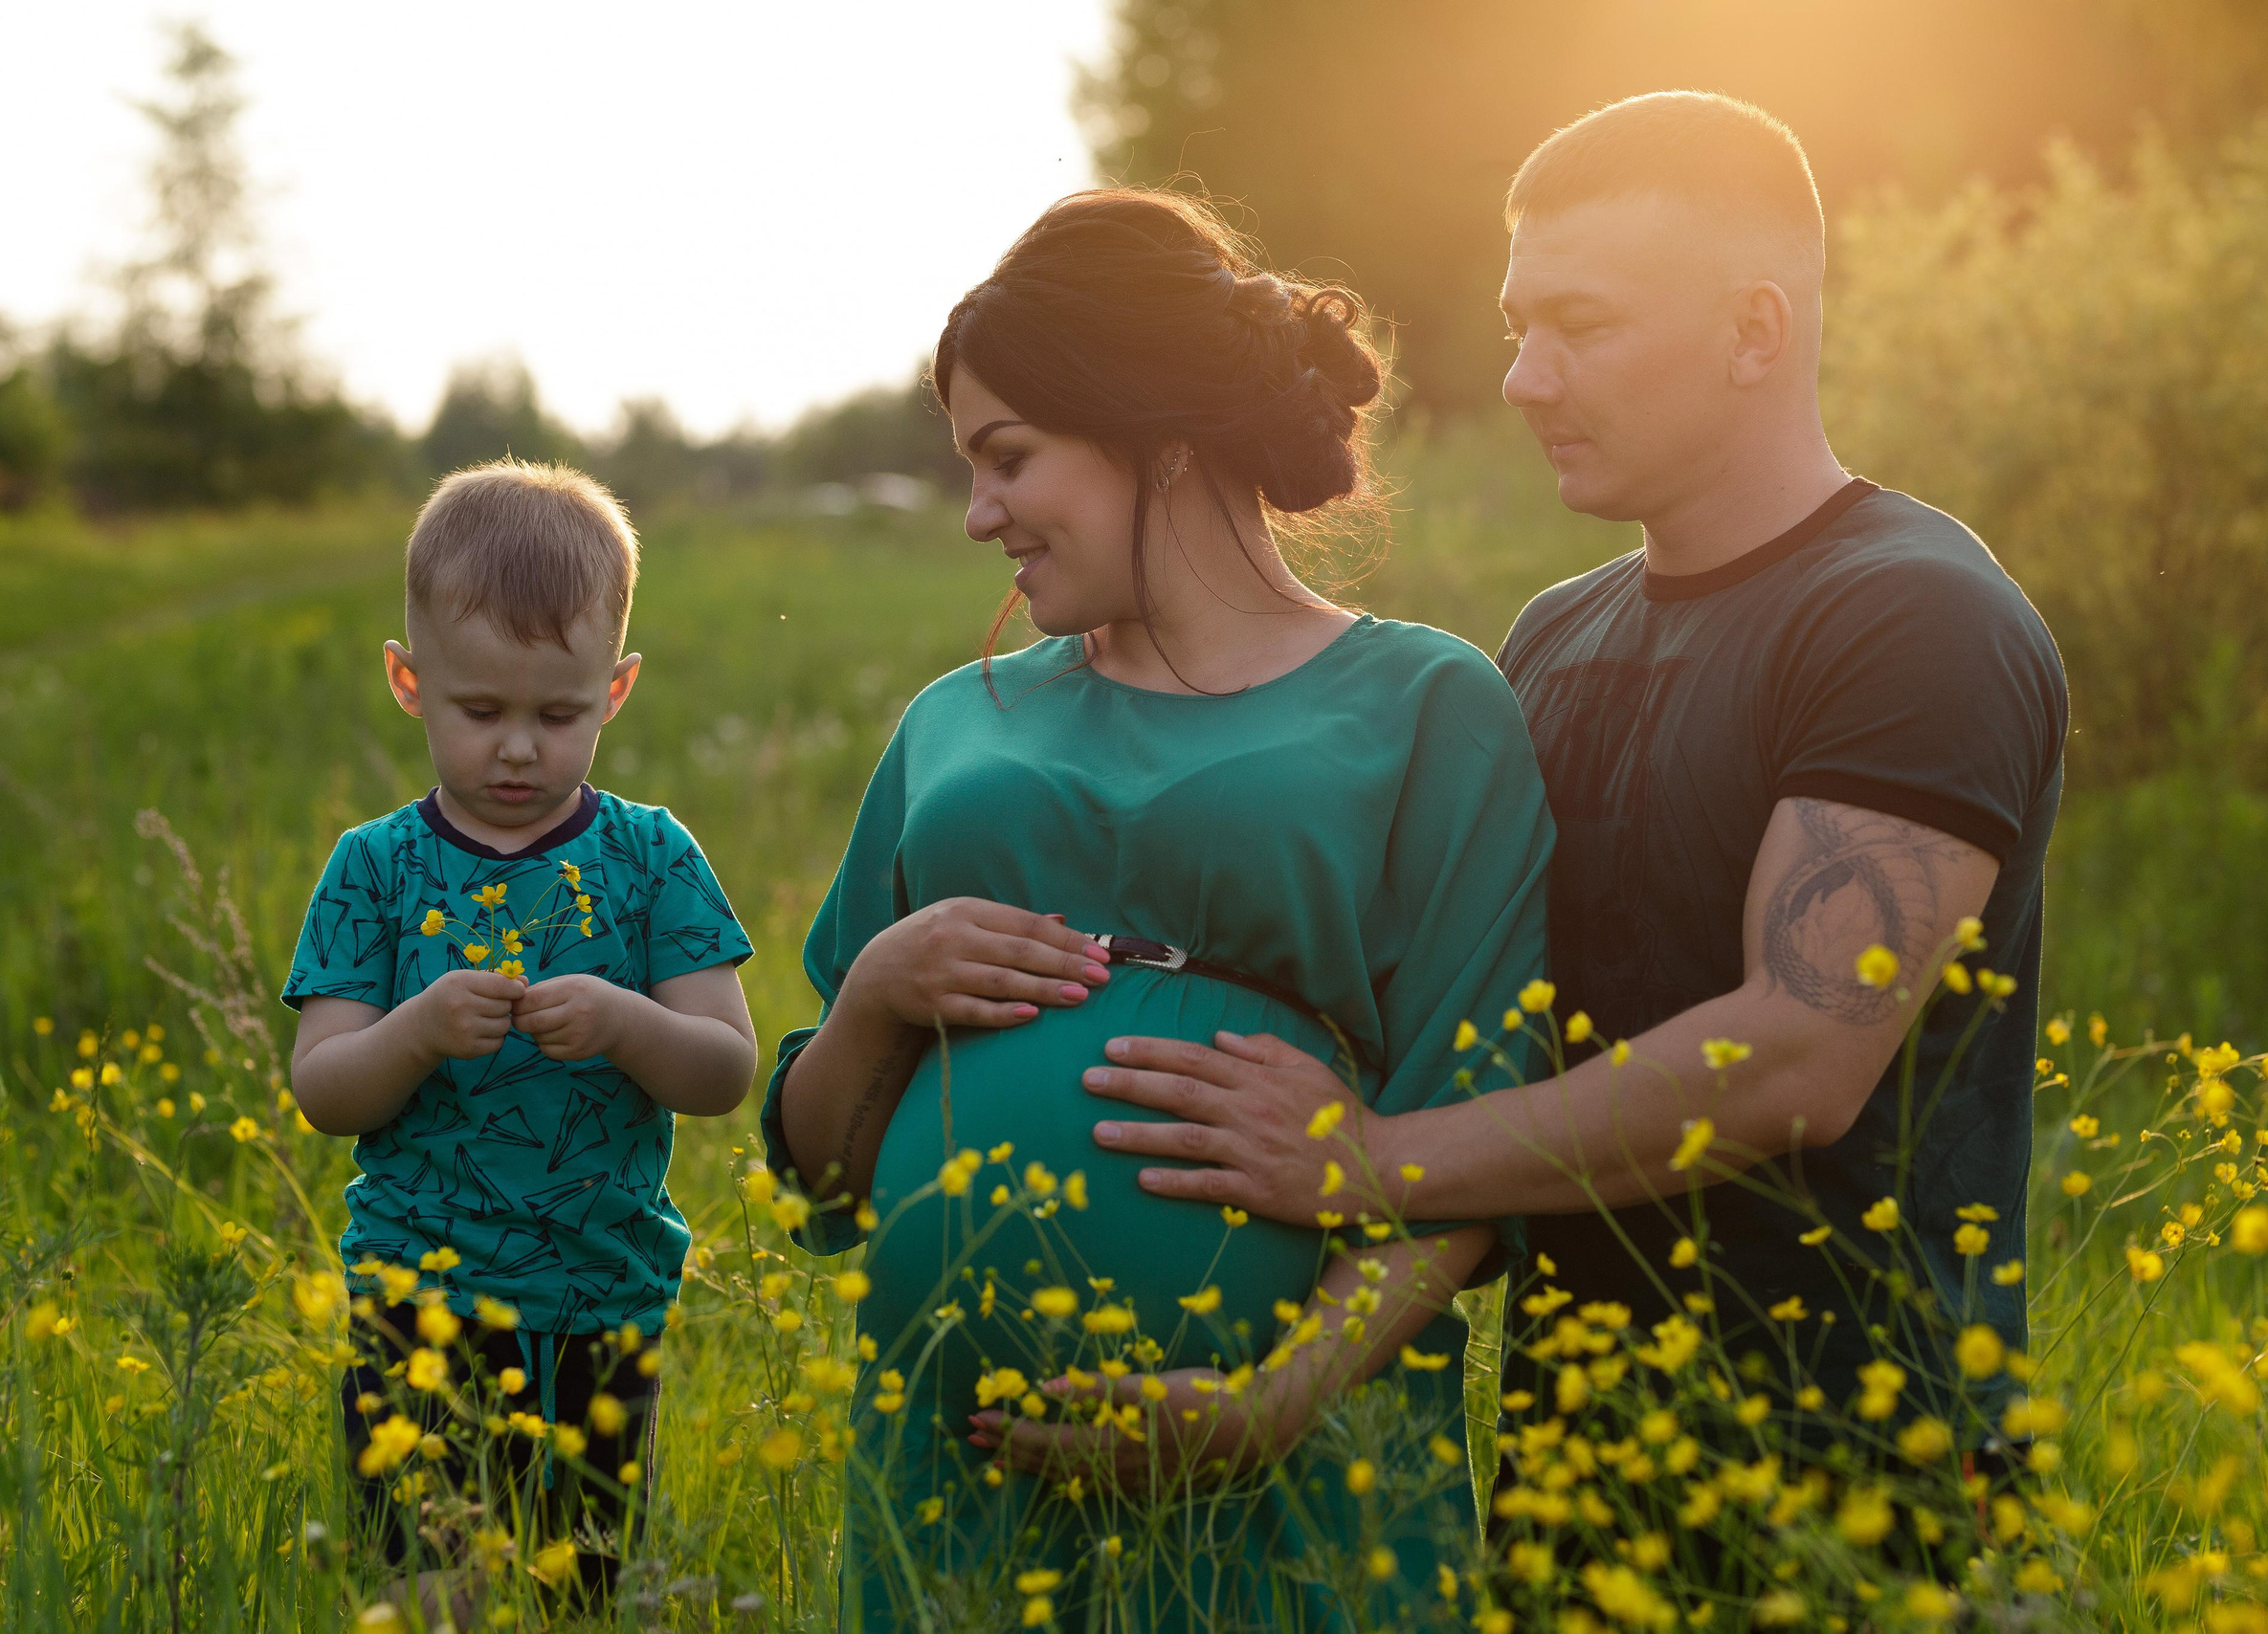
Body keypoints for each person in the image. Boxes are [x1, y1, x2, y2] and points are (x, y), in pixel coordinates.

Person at [1077, 94, 2069, 1448]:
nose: (1527, 379)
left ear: (1755, 330)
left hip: (1860, 1476)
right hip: (1576, 1468)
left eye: (1583, 327)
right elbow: (1467, 1029)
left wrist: (1367, 1162)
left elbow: (1793, 1061)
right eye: (1518, 330)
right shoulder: (1553, 636)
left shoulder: (1911, 617)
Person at [758, 189, 1553, 1630]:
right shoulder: (955, 726)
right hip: (956, 1479)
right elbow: (816, 1175)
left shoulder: (1429, 707)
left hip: (1292, 1464)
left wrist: (1270, 1402)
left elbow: (1474, 1146)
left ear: (1157, 438)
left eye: (1008, 459)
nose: (977, 513)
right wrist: (874, 994)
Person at [283, 460, 759, 1616]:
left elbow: (725, 1069)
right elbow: (325, 1087)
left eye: (557, 714)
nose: (516, 750)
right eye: (479, 710)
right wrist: (416, 1031)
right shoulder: (375, 867)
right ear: (408, 680)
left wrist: (623, 1020)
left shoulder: (652, 857)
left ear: (618, 688)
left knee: (575, 1589)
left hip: (601, 1301)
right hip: (415, 1302)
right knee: (429, 1585)